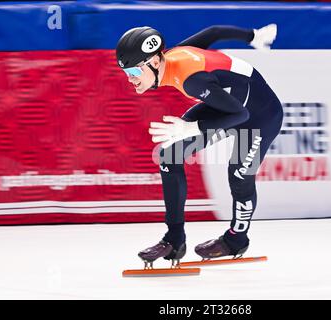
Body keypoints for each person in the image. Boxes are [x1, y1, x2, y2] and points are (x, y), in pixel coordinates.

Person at [115, 24, 283, 266]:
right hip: (227, 105)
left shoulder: (191, 79)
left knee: (238, 175)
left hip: (259, 116)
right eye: (125, 73)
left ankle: (237, 239)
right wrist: (253, 36)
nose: (130, 79)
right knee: (170, 155)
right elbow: (213, 32)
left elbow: (240, 115)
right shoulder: (174, 55)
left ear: (153, 61)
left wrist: (192, 128)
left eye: (133, 71)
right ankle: (174, 240)